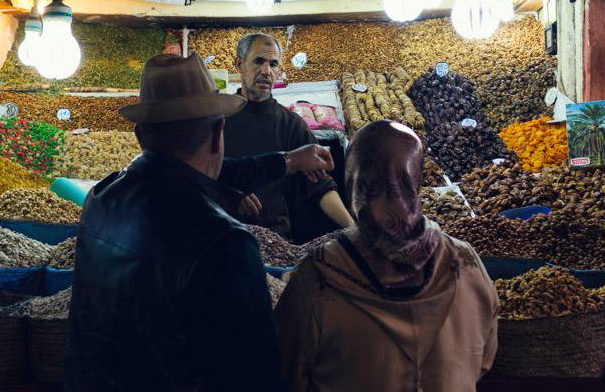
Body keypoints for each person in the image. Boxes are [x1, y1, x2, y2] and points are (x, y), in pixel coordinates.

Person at [66, 52, 336, 392]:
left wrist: (287, 161)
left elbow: (210, 171)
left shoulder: (101, 199)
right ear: (218, 131)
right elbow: (253, 376)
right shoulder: (224, 242)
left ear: (140, 135)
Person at [274, 120, 499, 392]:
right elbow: (485, 359)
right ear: (417, 183)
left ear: (353, 187)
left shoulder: (318, 278)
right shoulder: (466, 263)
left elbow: (286, 374)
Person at [224, 33, 354, 243]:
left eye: (273, 64)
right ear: (239, 63)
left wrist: (352, 228)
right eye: (259, 61)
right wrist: (227, 194)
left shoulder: (290, 124)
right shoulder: (219, 118)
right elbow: (194, 176)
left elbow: (320, 185)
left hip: (275, 241)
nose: (266, 71)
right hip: (222, 239)